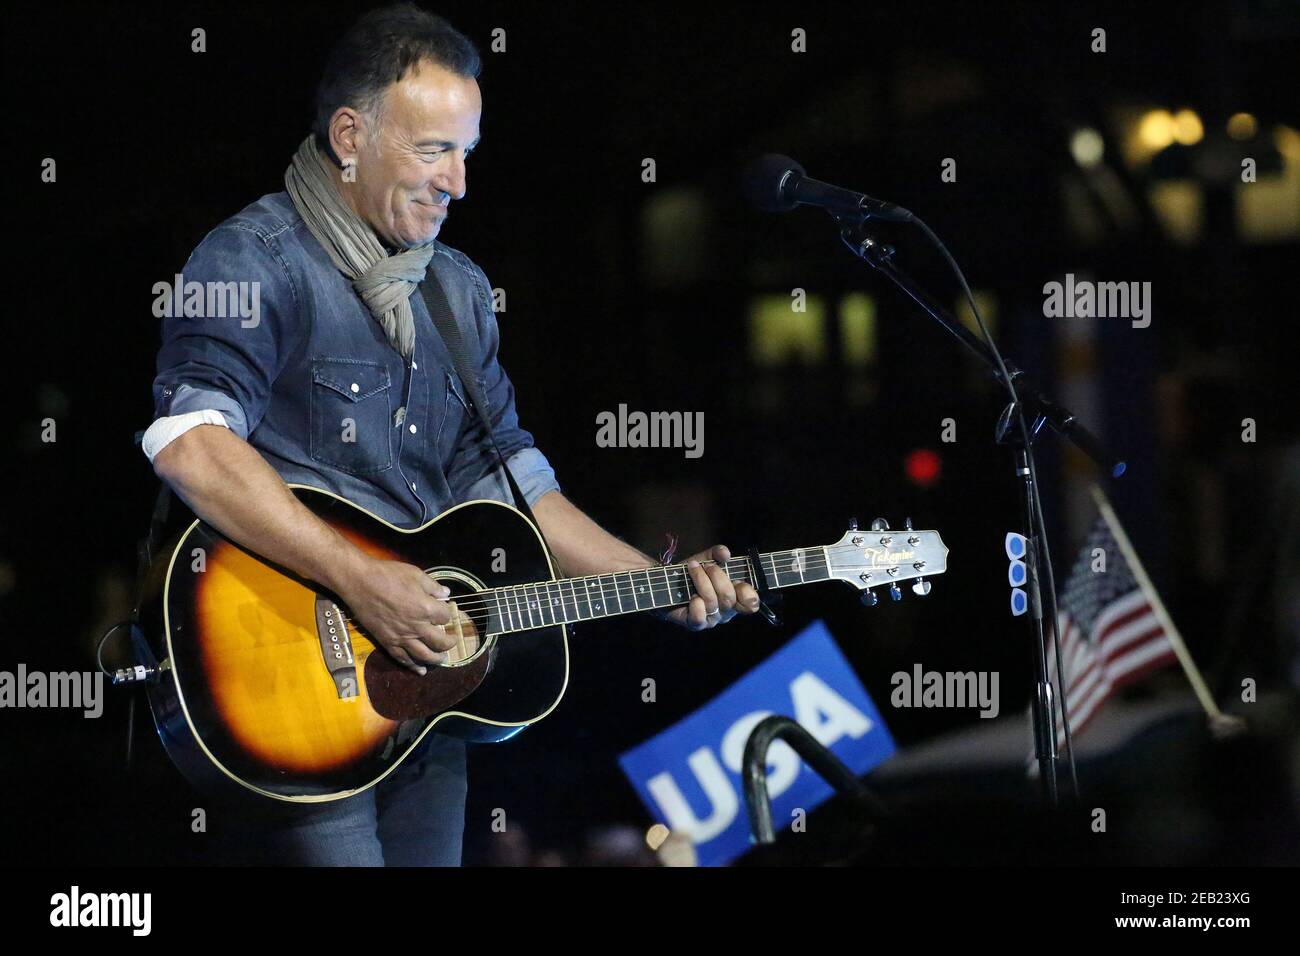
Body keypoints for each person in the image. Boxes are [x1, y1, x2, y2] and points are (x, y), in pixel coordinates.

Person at [143, 3, 759, 866]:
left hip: (428, 695)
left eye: (466, 151)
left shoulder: (459, 292)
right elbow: (189, 445)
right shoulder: (252, 261)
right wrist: (363, 579)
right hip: (292, 694)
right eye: (433, 150)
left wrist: (655, 583)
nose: (458, 182)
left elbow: (514, 484)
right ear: (349, 136)